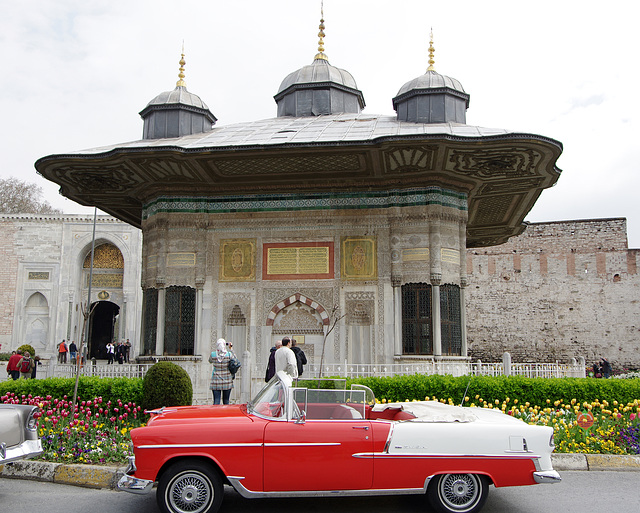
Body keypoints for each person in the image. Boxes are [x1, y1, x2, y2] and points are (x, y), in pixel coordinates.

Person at [209, 338, 233, 404]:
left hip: (216, 380)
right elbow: (235, 359)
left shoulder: (213, 354)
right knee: (226, 401)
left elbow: (210, 361)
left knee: (216, 400)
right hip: (227, 380)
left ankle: (215, 414)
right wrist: (231, 349)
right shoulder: (228, 354)